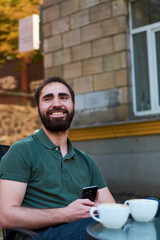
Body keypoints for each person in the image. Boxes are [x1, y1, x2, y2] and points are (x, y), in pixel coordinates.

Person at [0, 76, 115, 240]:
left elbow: (112, 208)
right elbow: (6, 216)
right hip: (40, 236)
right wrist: (67, 214)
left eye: (63, 97)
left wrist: (98, 209)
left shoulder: (86, 160)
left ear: (73, 106)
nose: (56, 104)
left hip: (81, 229)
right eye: (48, 99)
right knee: (91, 229)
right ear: (38, 109)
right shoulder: (22, 150)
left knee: (152, 208)